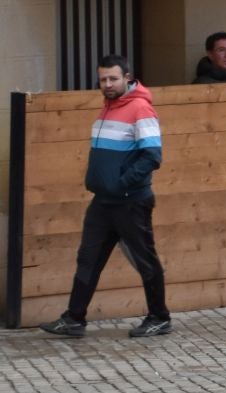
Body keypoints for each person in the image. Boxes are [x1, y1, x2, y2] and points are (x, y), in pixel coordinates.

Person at [38, 56, 172, 340]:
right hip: (103, 201)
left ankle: (159, 317)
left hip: (130, 200)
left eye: (113, 78)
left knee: (144, 259)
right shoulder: (107, 108)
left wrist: (122, 184)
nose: (108, 84)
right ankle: (74, 318)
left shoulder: (140, 108)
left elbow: (152, 156)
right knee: (88, 258)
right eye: (103, 79)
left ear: (127, 77)